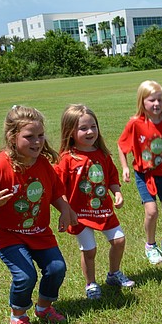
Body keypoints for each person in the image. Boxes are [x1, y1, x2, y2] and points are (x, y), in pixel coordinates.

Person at [0, 105, 77, 324]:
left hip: (37, 229)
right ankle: (18, 317)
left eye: (40, 136)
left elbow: (56, 192)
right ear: (12, 137)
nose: (37, 141)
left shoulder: (42, 164)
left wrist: (65, 210)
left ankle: (44, 308)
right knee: (25, 275)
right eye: (29, 136)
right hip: (5, 231)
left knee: (57, 268)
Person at [56, 104, 133, 300]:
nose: (90, 131)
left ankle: (113, 274)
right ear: (70, 132)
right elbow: (58, 187)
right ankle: (91, 284)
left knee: (119, 240)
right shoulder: (66, 159)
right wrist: (66, 210)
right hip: (79, 214)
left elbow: (112, 176)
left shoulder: (102, 154)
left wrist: (117, 192)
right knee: (89, 250)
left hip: (103, 210)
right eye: (83, 128)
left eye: (93, 126)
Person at [117, 81, 162, 264]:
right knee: (152, 211)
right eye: (151, 100)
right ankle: (150, 245)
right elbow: (122, 146)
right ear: (142, 101)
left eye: (160, 100)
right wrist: (125, 168)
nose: (156, 104)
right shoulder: (135, 123)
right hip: (144, 174)